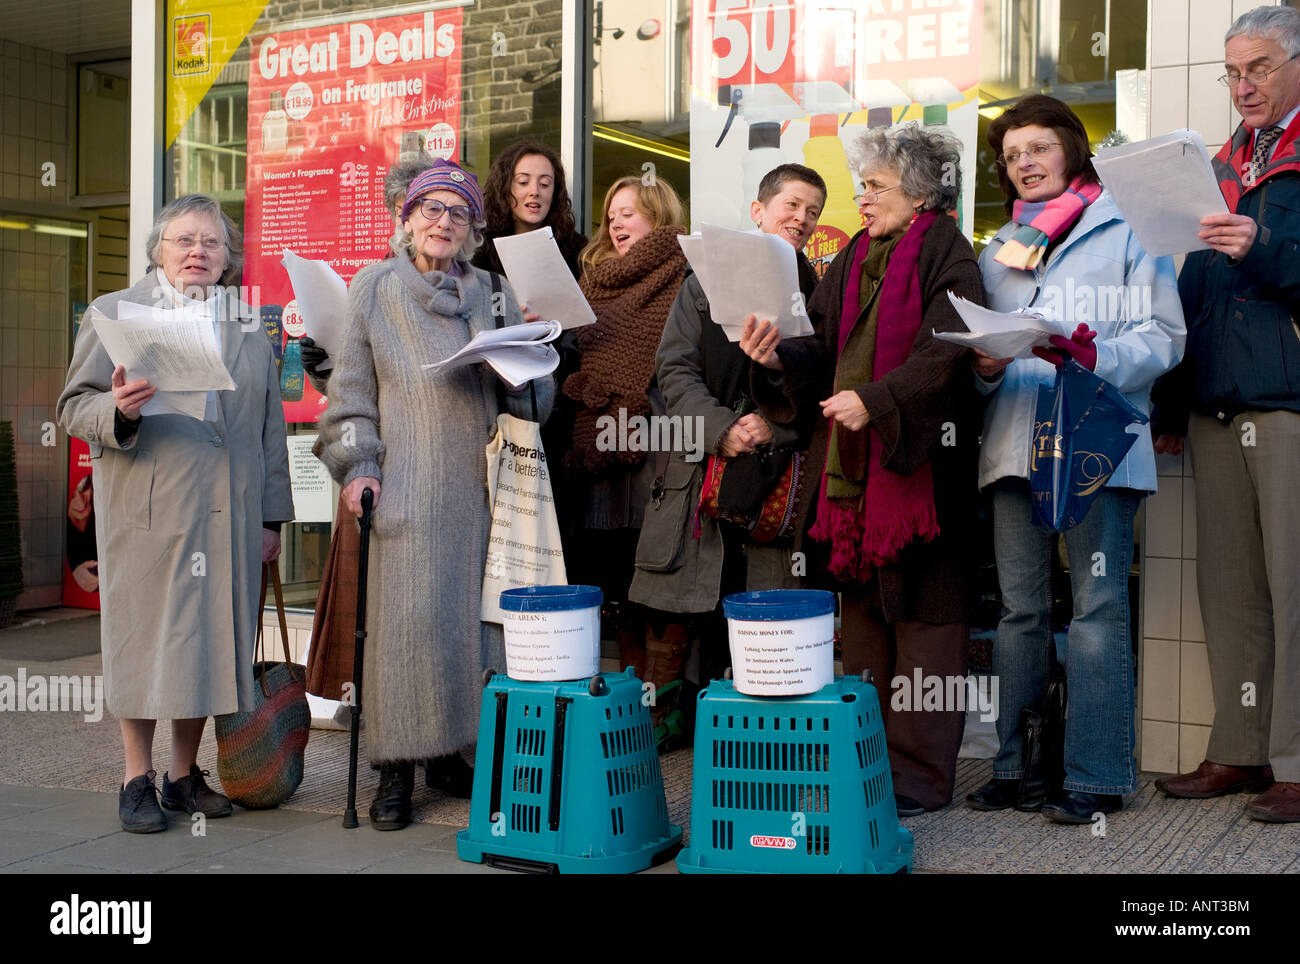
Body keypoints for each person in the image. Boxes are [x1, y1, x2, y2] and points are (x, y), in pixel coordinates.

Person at [749, 126, 985, 817]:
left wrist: (877, 400)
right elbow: (818, 349)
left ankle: (918, 779)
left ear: (919, 192)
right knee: (865, 627)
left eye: (875, 186)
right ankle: (866, 763)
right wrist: (773, 359)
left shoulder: (947, 247)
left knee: (927, 629)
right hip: (850, 483)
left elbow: (950, 346)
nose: (861, 197)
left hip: (921, 477)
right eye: (862, 184)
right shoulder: (853, 253)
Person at [314, 159, 554, 831]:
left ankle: (456, 752)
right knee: (406, 630)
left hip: (486, 492)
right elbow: (350, 394)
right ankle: (395, 769)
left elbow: (536, 404)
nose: (443, 223)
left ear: (475, 227)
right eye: (431, 210)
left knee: (475, 632)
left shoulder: (495, 292)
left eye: (458, 213)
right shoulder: (375, 287)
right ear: (407, 217)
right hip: (408, 487)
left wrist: (529, 354)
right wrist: (360, 466)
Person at [967, 95, 1185, 823]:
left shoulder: (1129, 227)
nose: (1024, 162)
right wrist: (987, 369)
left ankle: (1095, 776)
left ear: (1071, 150)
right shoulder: (999, 247)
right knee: (1019, 613)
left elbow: (1164, 337)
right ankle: (1014, 769)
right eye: (1011, 155)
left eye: (1038, 147)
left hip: (1095, 443)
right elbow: (978, 349)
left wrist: (1092, 353)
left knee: (1094, 610)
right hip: (1012, 447)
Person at [57, 194, 294, 833]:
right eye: (184, 241)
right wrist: (120, 411)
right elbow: (73, 407)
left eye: (211, 243)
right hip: (151, 513)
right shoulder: (116, 313)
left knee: (210, 646)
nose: (198, 252)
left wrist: (272, 520)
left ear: (227, 257)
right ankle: (135, 779)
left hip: (229, 516)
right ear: (158, 250)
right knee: (146, 644)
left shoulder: (247, 323)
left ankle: (183, 778)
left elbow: (271, 428)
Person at [1150, 5, 1300, 823]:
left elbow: (1274, 266)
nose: (1244, 86)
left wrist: (1265, 249)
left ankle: (1298, 762)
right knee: (1230, 588)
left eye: (1262, 68)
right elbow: (1196, 289)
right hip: (1215, 403)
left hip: (1287, 405)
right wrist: (1172, 398)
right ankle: (1242, 750)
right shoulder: (1218, 163)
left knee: (1297, 588)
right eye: (1233, 72)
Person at [628, 163, 826, 698]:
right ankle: (678, 722)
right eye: (792, 205)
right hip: (698, 471)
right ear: (759, 211)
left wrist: (771, 428)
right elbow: (673, 370)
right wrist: (722, 428)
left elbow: (822, 388)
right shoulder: (703, 282)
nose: (802, 218)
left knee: (765, 613)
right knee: (693, 606)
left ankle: (760, 731)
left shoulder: (819, 295)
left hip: (775, 478)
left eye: (813, 211)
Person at [299, 158, 434, 706]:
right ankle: (368, 705)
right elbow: (355, 382)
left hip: (436, 462)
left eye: (424, 211)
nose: (413, 225)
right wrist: (322, 365)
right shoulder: (372, 283)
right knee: (369, 603)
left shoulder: (468, 284)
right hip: (374, 462)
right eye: (404, 213)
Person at [561, 174, 688, 736]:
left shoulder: (686, 273)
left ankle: (664, 708)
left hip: (660, 446)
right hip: (600, 450)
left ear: (658, 217)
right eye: (611, 213)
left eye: (630, 212)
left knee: (660, 579)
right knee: (621, 581)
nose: (616, 222)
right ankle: (637, 707)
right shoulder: (589, 285)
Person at [473, 138, 588, 280]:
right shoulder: (479, 248)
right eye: (523, 182)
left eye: (545, 184)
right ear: (504, 189)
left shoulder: (579, 254)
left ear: (555, 193)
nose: (534, 191)